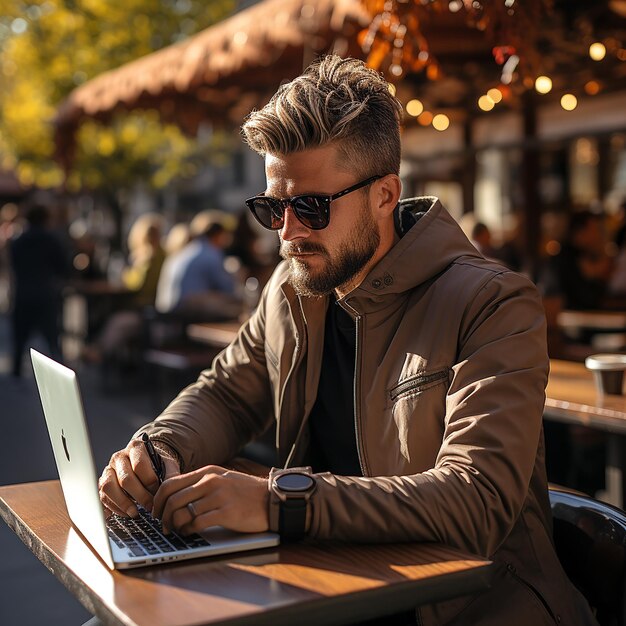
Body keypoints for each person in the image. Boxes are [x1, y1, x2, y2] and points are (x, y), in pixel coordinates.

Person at [98, 56, 596, 625]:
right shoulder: (292, 287)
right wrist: (161, 449)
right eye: (272, 208)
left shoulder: (492, 302)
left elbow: (476, 500)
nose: (288, 234)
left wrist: (277, 500)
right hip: (327, 590)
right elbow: (228, 393)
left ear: (385, 195)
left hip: (469, 607)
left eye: (310, 207)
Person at [82, 212, 165, 364]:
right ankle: (99, 352)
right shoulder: (162, 254)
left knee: (115, 322)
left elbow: (136, 285)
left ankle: (99, 353)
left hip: (145, 311)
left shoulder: (149, 257)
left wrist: (126, 274)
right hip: (150, 309)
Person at [9, 203, 69, 377]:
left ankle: (16, 375)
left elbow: (14, 265)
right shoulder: (52, 240)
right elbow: (62, 267)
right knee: (52, 340)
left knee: (19, 340)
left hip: (23, 294)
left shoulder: (18, 241)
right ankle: (61, 377)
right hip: (46, 295)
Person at [155, 210, 241, 320]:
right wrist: (235, 274)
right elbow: (228, 288)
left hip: (165, 307)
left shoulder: (186, 250)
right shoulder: (211, 253)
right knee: (235, 308)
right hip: (183, 309)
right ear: (218, 235)